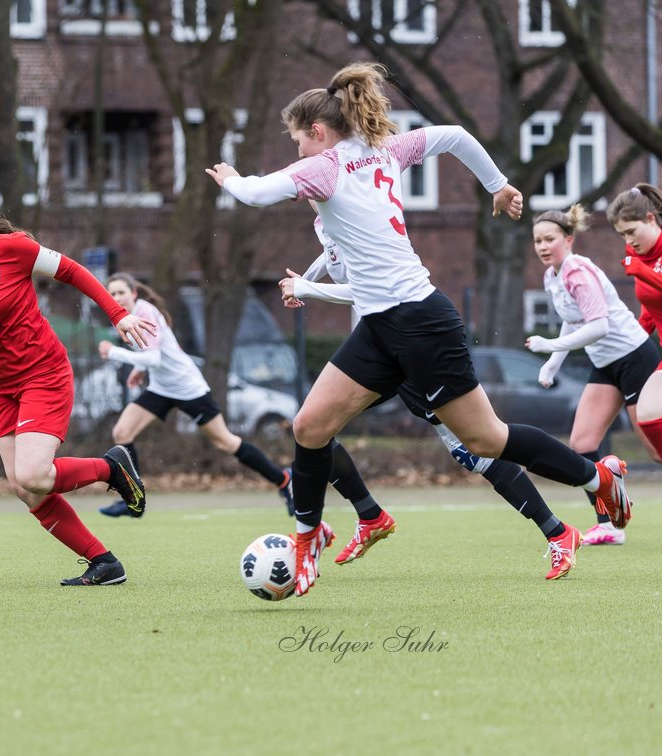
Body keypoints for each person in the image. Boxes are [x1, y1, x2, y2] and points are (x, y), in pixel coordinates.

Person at [206, 61, 629, 596]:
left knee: (486, 438)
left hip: (421, 320)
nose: (297, 154)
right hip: (382, 326)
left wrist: (231, 178)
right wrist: (498, 186)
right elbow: (454, 135)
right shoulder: (385, 149)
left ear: (317, 132)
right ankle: (307, 535)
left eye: (297, 141)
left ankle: (598, 478)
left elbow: (255, 194)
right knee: (310, 427)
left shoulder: (328, 165)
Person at [282, 214, 586, 579]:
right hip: (376, 346)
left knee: (477, 448)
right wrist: (306, 278)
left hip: (406, 340)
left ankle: (564, 523)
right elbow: (332, 255)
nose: (299, 157)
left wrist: (307, 289)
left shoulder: (353, 206)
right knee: (315, 427)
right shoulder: (325, 209)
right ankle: (369, 516)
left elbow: (362, 289)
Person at [0, 184, 156, 586]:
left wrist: (117, 315)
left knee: (34, 475)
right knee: (25, 489)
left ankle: (111, 468)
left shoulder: (11, 248)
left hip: (43, 372)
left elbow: (73, 271)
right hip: (2, 387)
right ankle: (104, 562)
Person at [94, 272, 295, 518]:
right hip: (161, 388)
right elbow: (156, 353)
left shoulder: (145, 312)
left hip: (188, 387)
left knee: (225, 441)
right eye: (111, 294)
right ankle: (133, 499)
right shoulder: (125, 317)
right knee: (122, 433)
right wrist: (139, 369)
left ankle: (284, 480)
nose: (116, 297)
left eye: (121, 292)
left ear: (133, 293)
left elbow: (154, 357)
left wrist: (114, 353)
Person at [523, 204, 662, 546]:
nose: (543, 246)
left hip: (635, 357)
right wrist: (552, 363)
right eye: (538, 240)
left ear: (568, 239)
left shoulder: (577, 271)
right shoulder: (551, 276)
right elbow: (573, 319)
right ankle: (609, 525)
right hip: (606, 364)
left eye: (550, 239)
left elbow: (598, 325)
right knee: (582, 444)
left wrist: (550, 344)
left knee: (659, 452)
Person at [607, 183, 662, 480]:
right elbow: (651, 310)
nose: (628, 240)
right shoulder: (642, 258)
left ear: (650, 219)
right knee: (649, 417)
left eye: (631, 231)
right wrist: (631, 339)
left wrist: (642, 272)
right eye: (622, 235)